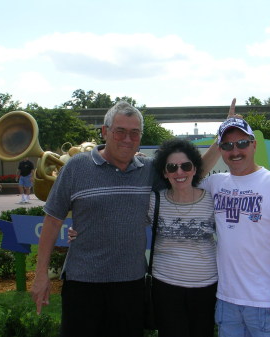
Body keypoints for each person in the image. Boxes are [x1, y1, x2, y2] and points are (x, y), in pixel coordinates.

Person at [30, 100, 225, 337]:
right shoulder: (76, 167)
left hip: (131, 285)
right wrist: (41, 275)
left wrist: (221, 136)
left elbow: (189, 174)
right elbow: (52, 220)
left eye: (134, 133)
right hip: (83, 283)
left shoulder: (148, 169)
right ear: (105, 131)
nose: (127, 139)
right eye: (120, 131)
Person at [199, 117, 270, 337]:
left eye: (242, 143)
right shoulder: (216, 183)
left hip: (268, 302)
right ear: (220, 150)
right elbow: (194, 174)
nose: (235, 151)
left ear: (254, 144)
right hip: (227, 301)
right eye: (227, 145)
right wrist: (217, 138)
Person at [149, 138, 217, 337]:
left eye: (186, 166)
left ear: (195, 169)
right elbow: (125, 225)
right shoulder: (155, 201)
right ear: (164, 172)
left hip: (206, 288)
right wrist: (81, 231)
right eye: (172, 167)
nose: (179, 173)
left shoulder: (212, 200)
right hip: (166, 287)